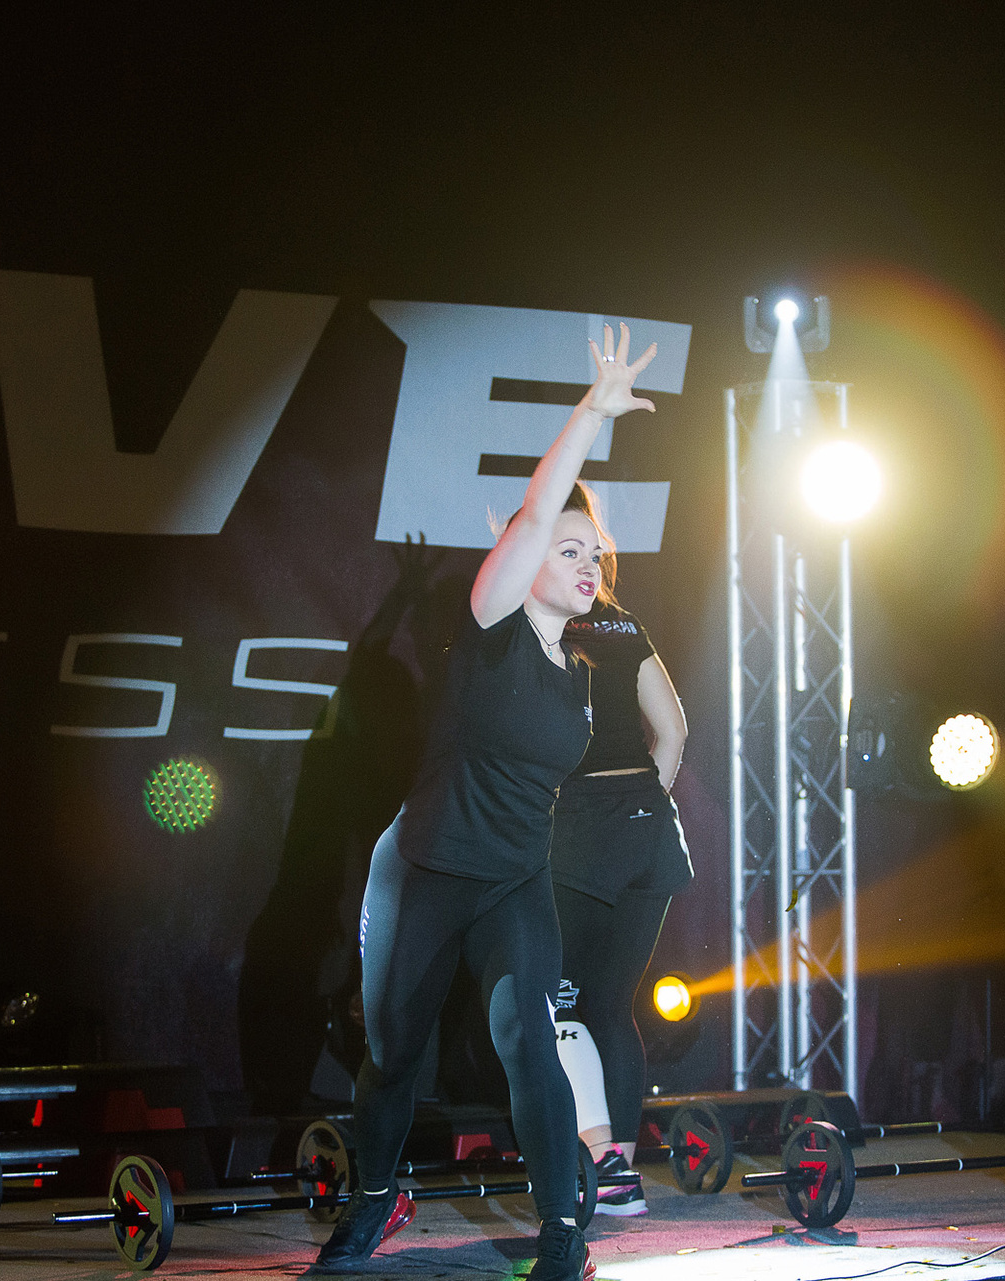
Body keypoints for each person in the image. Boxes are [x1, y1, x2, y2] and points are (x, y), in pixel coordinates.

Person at [315, 324, 657, 1281]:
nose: (588, 563)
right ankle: (374, 1198)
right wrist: (592, 412)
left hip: (514, 883)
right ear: (525, 555)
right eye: (568, 549)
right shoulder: (491, 628)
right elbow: (540, 507)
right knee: (394, 1056)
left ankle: (560, 1231)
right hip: (424, 870)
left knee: (528, 1043)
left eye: (597, 553)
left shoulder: (580, 673)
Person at [549, 573, 690, 1217]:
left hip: (581, 827)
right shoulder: (623, 623)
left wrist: (596, 816)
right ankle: (620, 1177)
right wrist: (639, 806)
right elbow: (674, 732)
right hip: (650, 829)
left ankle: (602, 1164)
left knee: (560, 1004)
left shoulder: (535, 624)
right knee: (611, 1005)